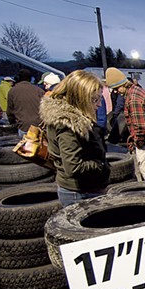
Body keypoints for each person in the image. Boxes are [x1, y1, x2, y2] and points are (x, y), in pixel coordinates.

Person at [39, 70, 110, 207]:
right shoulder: (68, 125)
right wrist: (99, 164)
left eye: (100, 98)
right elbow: (73, 166)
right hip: (80, 193)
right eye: (95, 99)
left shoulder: (76, 119)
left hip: (86, 189)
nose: (99, 104)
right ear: (80, 98)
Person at [105, 67, 145, 181]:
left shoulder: (133, 99)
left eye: (117, 88)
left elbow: (141, 127)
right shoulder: (138, 91)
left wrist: (137, 144)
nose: (116, 91)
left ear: (123, 84)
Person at [7, 69, 44, 136]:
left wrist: (12, 122)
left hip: (23, 125)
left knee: (24, 145)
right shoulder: (39, 90)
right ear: (30, 78)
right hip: (39, 125)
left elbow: (10, 110)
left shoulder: (12, 91)